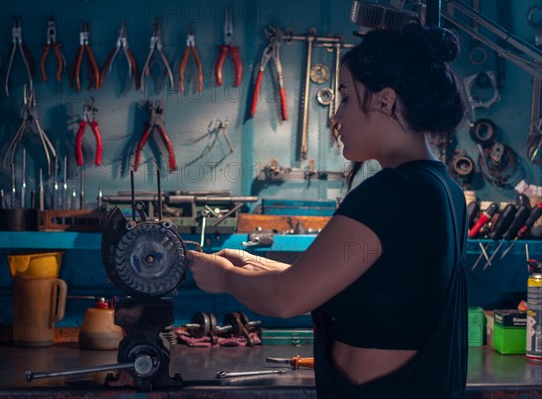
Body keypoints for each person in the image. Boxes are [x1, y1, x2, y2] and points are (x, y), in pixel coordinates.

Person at [187, 22, 468, 399]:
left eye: (347, 99)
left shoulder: (393, 192)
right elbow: (343, 283)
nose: (336, 117)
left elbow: (288, 298)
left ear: (386, 100)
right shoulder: (439, 189)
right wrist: (247, 262)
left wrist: (223, 278)